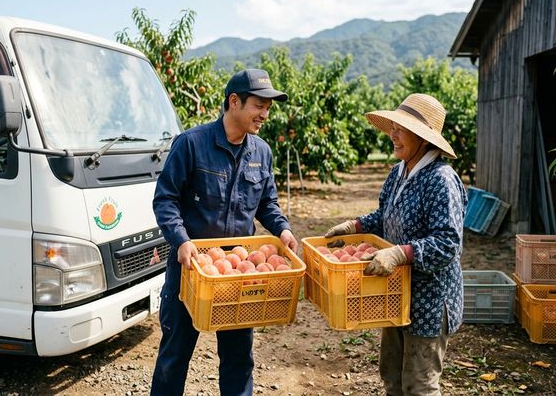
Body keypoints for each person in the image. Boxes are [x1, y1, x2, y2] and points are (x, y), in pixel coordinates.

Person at [150, 68, 298, 396]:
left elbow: (267, 204)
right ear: (234, 102)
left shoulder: (261, 152)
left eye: (268, 108)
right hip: (191, 268)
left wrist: (283, 229)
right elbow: (165, 199)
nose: (265, 114)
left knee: (238, 357)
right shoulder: (191, 144)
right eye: (259, 105)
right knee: (174, 355)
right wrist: (181, 240)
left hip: (238, 273)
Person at [325, 93, 466, 396]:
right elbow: (384, 215)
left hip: (428, 300)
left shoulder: (441, 180)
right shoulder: (398, 172)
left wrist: (400, 253)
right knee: (392, 375)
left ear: (424, 138)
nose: (393, 134)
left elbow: (447, 242)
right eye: (393, 127)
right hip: (395, 293)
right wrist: (356, 226)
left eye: (402, 128)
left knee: (419, 384)